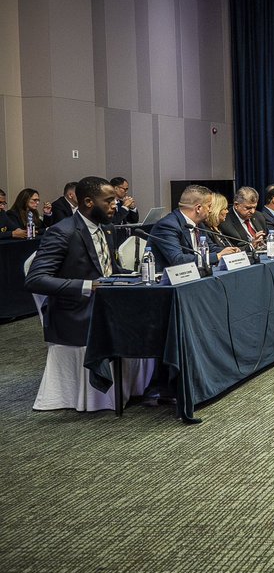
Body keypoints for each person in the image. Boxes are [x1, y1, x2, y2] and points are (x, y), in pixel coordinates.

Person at [24, 175, 151, 411]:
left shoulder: (107, 229)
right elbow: (35, 279)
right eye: (109, 200)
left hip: (104, 305)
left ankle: (153, 385)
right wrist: (85, 286)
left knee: (152, 314)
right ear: (89, 202)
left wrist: (138, 277)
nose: (115, 205)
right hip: (73, 312)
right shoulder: (63, 232)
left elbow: (109, 270)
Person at [149, 184, 241, 267]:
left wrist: (229, 252)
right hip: (167, 280)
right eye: (209, 206)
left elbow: (210, 248)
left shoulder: (199, 224)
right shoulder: (167, 226)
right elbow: (178, 260)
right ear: (198, 208)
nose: (210, 210)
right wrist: (217, 256)